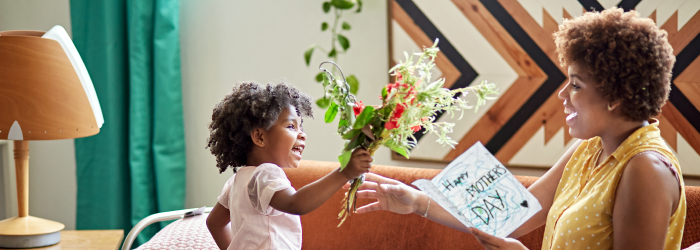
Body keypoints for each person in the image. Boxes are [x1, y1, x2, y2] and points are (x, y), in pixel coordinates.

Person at [352, 8, 685, 250]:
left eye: (576, 85)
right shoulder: (590, 149)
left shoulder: (646, 169)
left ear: (614, 95)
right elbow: (515, 214)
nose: (562, 96)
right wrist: (417, 202)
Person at [205, 82, 372, 250]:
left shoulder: (235, 181)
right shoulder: (265, 174)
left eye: (301, 127)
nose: (303, 134)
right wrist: (344, 173)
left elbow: (214, 223)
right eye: (291, 126)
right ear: (260, 137)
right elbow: (296, 203)